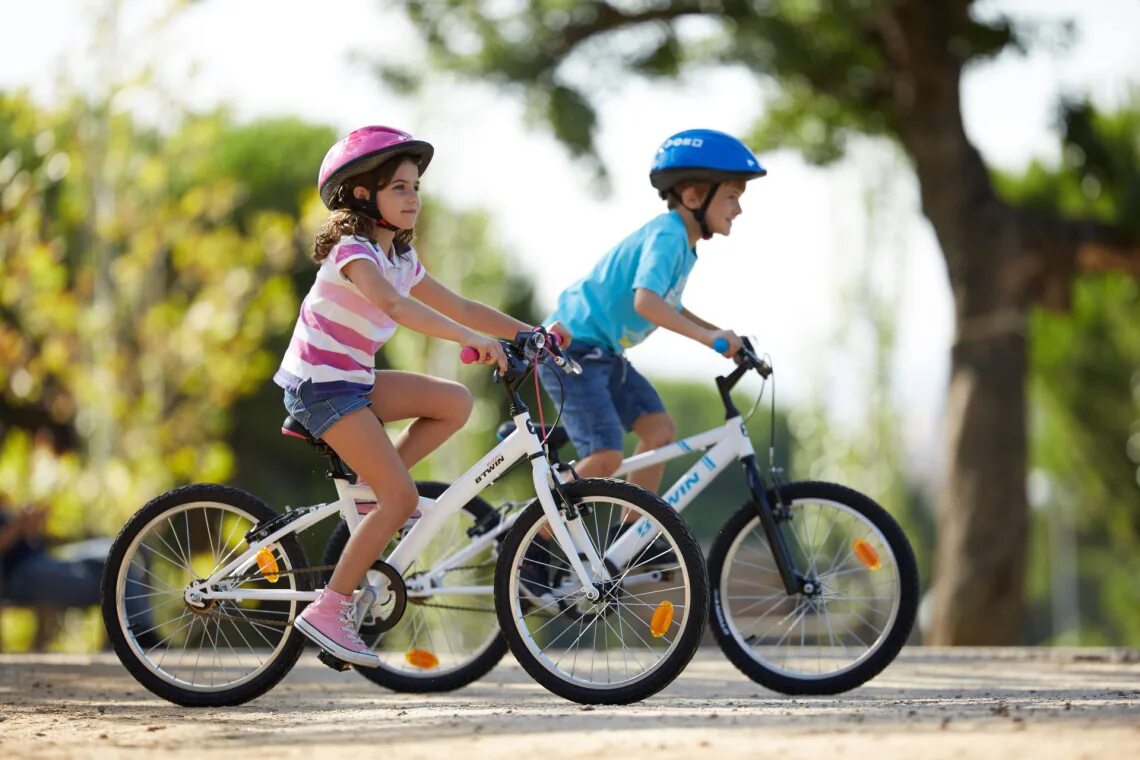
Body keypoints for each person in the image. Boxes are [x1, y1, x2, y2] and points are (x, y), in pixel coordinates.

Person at [275, 125, 569, 667]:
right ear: (363, 195)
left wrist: (531, 332)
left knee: (454, 402)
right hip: (319, 387)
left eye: (416, 188)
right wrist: (471, 341)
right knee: (403, 499)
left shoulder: (400, 258)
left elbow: (464, 308)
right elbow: (394, 307)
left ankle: (374, 490)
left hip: (353, 380)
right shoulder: (353, 251)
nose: (414, 198)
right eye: (401, 188)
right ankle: (329, 609)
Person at [536, 128, 766, 511]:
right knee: (605, 455)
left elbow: (668, 305)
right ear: (693, 197)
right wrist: (709, 339)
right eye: (731, 197)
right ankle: (534, 539)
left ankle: (634, 536)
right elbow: (646, 302)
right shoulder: (668, 236)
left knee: (659, 431)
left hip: (604, 354)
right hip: (571, 350)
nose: (738, 209)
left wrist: (715, 333)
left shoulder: (684, 246)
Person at [0, 497, 155, 650]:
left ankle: (139, 629)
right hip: (20, 573)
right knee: (112, 574)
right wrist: (19, 526)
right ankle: (138, 633)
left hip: (44, 559)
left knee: (113, 550)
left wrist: (33, 525)